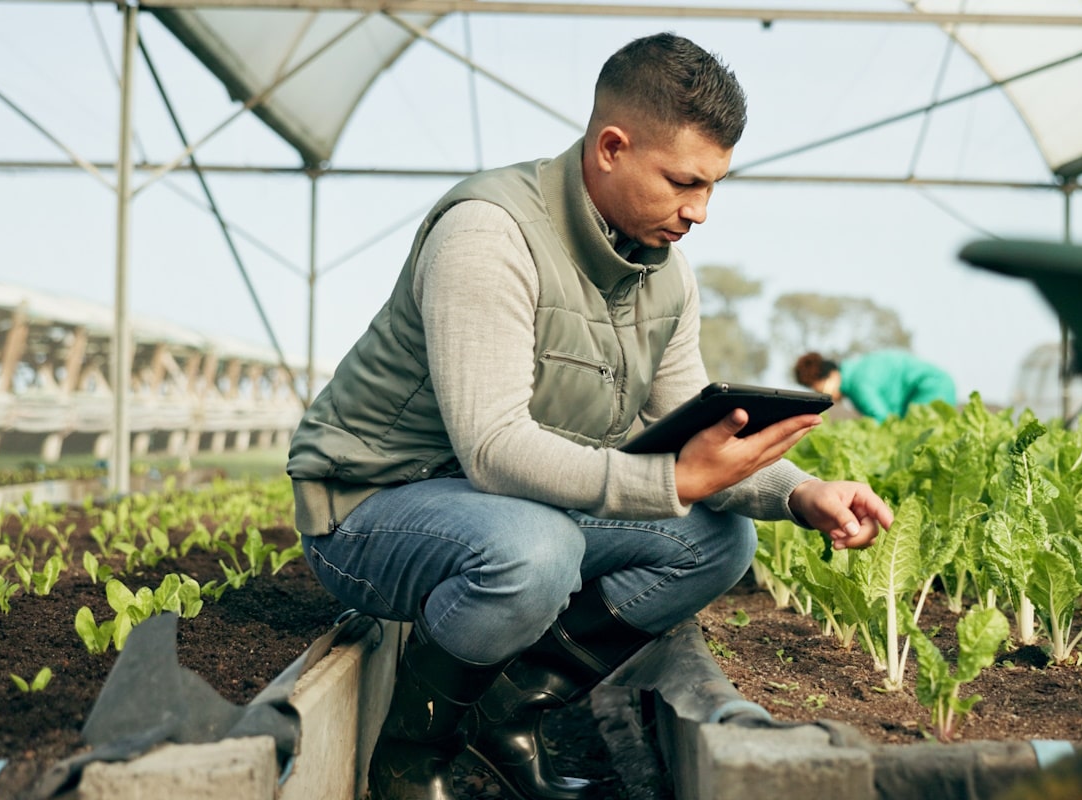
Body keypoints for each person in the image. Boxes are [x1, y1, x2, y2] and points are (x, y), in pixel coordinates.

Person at [285, 33, 892, 800]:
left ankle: (502, 712)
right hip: (369, 510)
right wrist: (668, 479)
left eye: (713, 187)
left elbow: (691, 422)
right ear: (612, 147)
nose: (700, 212)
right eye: (683, 182)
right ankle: (412, 754)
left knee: (715, 538)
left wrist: (801, 493)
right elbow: (495, 450)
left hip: (489, 512)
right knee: (534, 550)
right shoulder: (489, 233)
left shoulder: (663, 275)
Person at [793, 350, 958, 421]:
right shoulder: (858, 372)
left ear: (833, 375)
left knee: (918, 438)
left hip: (931, 387)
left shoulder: (859, 385)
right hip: (938, 384)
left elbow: (883, 420)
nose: (831, 397)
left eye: (824, 390)